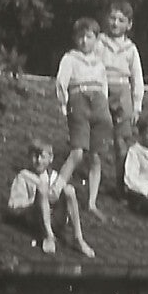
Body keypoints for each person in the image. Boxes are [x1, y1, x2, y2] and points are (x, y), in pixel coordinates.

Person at [53, 16, 113, 222]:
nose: (84, 41)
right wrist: (63, 104)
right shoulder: (70, 58)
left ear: (96, 39)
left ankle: (92, 202)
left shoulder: (99, 62)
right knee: (78, 152)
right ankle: (56, 188)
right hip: (79, 102)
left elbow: (104, 85)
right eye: (80, 37)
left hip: (99, 106)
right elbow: (61, 83)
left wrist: (103, 103)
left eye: (89, 37)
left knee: (95, 156)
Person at [4, 137, 96, 258]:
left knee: (69, 190)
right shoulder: (24, 176)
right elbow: (13, 206)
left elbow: (60, 195)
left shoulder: (54, 177)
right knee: (42, 190)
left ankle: (78, 238)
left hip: (56, 217)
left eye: (42, 156)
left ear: (50, 158)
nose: (38, 160)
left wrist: (54, 198)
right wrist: (37, 200)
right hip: (36, 218)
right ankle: (48, 235)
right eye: (34, 156)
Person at [97, 0, 145, 188]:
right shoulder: (100, 42)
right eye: (112, 18)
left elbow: (137, 78)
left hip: (123, 92)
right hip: (102, 89)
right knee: (98, 140)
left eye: (121, 20)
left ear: (129, 25)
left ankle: (122, 184)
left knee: (121, 142)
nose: (115, 23)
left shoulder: (131, 49)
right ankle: (95, 182)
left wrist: (137, 106)